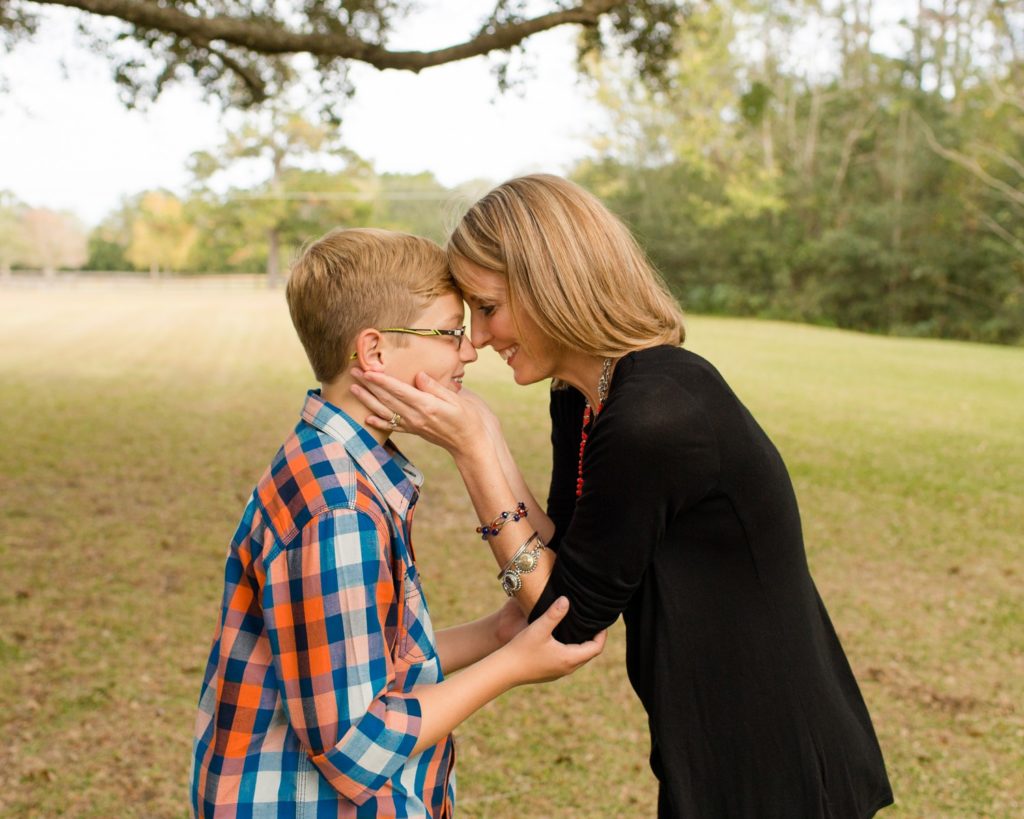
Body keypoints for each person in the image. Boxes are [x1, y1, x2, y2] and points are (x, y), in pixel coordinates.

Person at [349, 176, 895, 818]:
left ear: (552, 286)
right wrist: (489, 437)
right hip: (712, 742)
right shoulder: (588, 395)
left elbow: (567, 620)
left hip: (777, 762)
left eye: (489, 308)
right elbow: (569, 555)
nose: (480, 338)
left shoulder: (654, 416)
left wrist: (473, 455)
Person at [189, 227, 605, 818]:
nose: (469, 351)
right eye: (450, 332)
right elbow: (354, 748)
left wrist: (495, 633)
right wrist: (512, 667)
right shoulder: (338, 510)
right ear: (375, 352)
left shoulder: (334, 466)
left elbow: (360, 665)